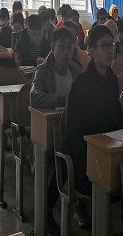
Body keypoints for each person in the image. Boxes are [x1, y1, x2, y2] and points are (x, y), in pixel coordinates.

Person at [64, 25, 123, 229]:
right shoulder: (81, 84)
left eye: (112, 46)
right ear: (90, 51)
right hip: (86, 153)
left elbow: (118, 120)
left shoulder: (113, 81)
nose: (110, 51)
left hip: (108, 148)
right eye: (104, 46)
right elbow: (73, 132)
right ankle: (80, 203)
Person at [30, 26, 84, 233]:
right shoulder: (43, 70)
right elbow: (34, 97)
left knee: (80, 153)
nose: (66, 52)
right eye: (62, 47)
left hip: (73, 130)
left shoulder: (76, 69)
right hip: (49, 132)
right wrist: (63, 99)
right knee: (66, 158)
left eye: (70, 47)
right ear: (52, 47)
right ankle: (46, 210)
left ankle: (80, 202)